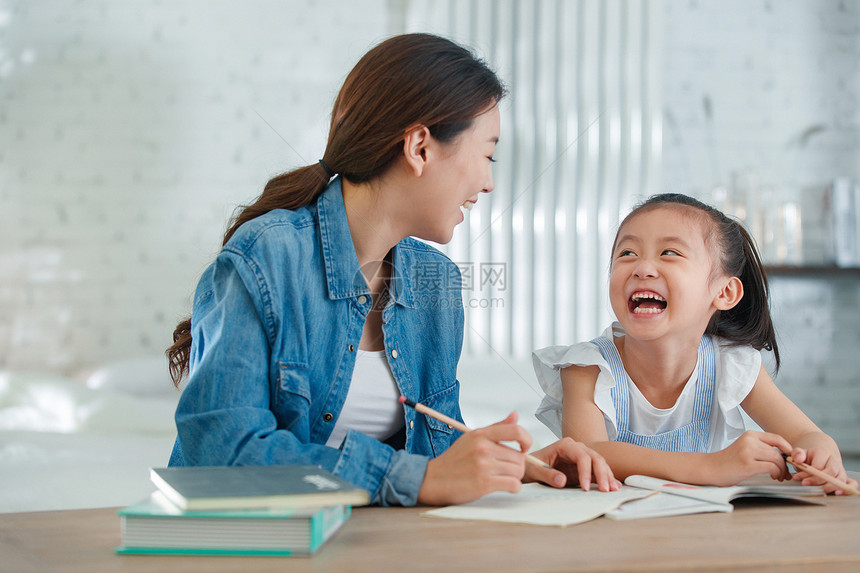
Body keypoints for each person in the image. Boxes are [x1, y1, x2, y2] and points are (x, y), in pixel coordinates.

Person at [166, 33, 618, 507]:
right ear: (420, 147)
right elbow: (219, 452)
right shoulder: (268, 258)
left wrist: (520, 467)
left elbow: (434, 461)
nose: (487, 182)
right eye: (487, 155)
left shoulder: (436, 283)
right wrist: (415, 478)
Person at [533, 193, 858, 494]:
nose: (642, 269)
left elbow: (804, 435)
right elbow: (586, 454)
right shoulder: (587, 367)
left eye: (669, 253)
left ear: (724, 293)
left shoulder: (731, 363)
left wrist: (821, 450)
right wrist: (711, 466)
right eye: (627, 253)